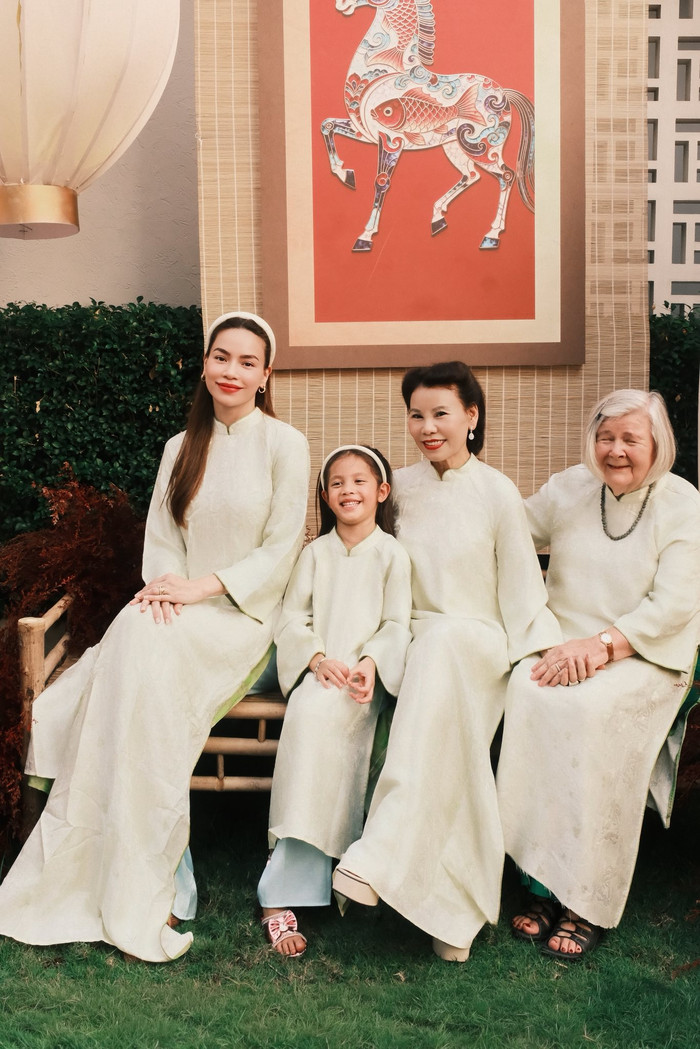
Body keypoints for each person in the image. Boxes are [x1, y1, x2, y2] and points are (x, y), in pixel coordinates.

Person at [0, 311, 310, 963]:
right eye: (221, 357)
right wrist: (171, 588)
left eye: (247, 362)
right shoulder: (180, 447)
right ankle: (159, 876)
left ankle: (161, 878)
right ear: (205, 363)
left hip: (245, 619)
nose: (231, 371)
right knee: (140, 641)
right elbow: (163, 542)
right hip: (177, 611)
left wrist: (203, 588)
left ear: (266, 374)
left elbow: (281, 549)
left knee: (140, 658)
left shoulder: (285, 444)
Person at [333, 362, 561, 961]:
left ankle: (379, 854)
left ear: (471, 416)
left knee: (445, 648)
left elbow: (522, 590)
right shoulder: (396, 489)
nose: (428, 427)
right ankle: (453, 914)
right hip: (413, 643)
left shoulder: (497, 491)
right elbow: (370, 568)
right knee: (444, 703)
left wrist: (539, 659)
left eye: (441, 413)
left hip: (479, 644)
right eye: (417, 415)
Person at [497, 389, 700, 959]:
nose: (615, 450)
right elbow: (507, 531)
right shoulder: (570, 488)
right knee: (527, 693)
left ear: (658, 444)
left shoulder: (682, 502)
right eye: (605, 437)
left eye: (630, 439)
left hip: (644, 654)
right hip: (563, 646)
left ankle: (584, 900)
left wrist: (604, 645)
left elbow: (675, 604)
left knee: (587, 713)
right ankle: (540, 884)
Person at [257, 445, 412, 957]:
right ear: (325, 496)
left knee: (341, 725)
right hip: (320, 676)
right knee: (309, 718)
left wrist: (371, 664)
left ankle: (338, 871)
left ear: (381, 491)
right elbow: (292, 620)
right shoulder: (315, 554)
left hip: (363, 682)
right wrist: (316, 659)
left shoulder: (392, 555)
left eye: (359, 481)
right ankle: (281, 892)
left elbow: (397, 624)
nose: (348, 491)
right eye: (337, 483)